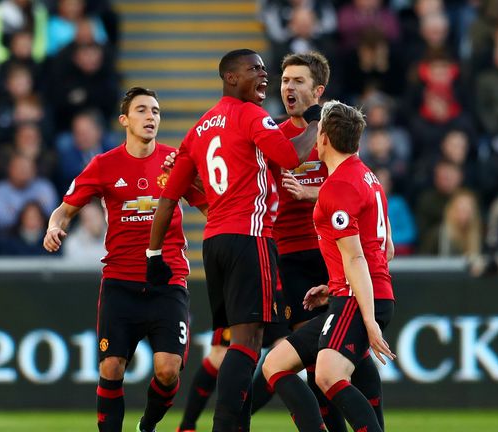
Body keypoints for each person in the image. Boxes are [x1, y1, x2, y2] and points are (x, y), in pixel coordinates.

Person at [146, 49, 319, 432]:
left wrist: (154, 254)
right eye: (253, 69)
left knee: (231, 347)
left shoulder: (199, 129)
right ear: (229, 77)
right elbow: (291, 157)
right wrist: (315, 122)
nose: (264, 75)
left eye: (264, 68)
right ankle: (226, 426)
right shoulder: (251, 115)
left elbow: (169, 198)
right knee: (248, 344)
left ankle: (203, 424)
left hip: (215, 245)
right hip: (250, 238)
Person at [43, 87, 206, 432]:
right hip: (120, 282)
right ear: (125, 120)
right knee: (111, 367)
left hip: (167, 280)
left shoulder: (174, 161)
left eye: (157, 111)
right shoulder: (104, 165)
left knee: (167, 370)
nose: (151, 117)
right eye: (143, 110)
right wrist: (53, 227)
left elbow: (208, 206)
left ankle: (147, 423)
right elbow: (65, 209)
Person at [261, 101, 396, 432]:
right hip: (352, 292)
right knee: (275, 364)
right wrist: (334, 284)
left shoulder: (338, 187)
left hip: (358, 298)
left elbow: (357, 257)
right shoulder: (368, 178)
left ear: (322, 137)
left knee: (327, 374)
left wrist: (367, 318)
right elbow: (386, 248)